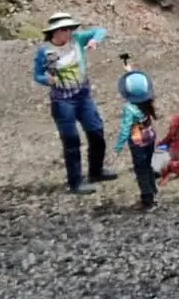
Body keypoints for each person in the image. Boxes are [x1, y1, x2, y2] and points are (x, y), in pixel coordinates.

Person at [32, 12, 114, 194]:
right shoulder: (45, 51)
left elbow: (100, 31)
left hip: (83, 95)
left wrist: (95, 41)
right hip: (62, 100)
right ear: (55, 32)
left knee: (96, 131)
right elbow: (37, 74)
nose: (69, 32)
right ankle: (75, 182)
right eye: (65, 29)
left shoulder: (77, 39)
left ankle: (96, 171)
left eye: (70, 28)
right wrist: (47, 80)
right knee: (71, 140)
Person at [115, 66, 160, 211]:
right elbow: (140, 87)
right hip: (150, 138)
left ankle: (147, 201)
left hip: (138, 142)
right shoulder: (148, 102)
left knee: (141, 170)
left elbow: (126, 128)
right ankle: (153, 191)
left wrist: (119, 145)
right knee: (148, 166)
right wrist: (130, 71)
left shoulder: (129, 108)